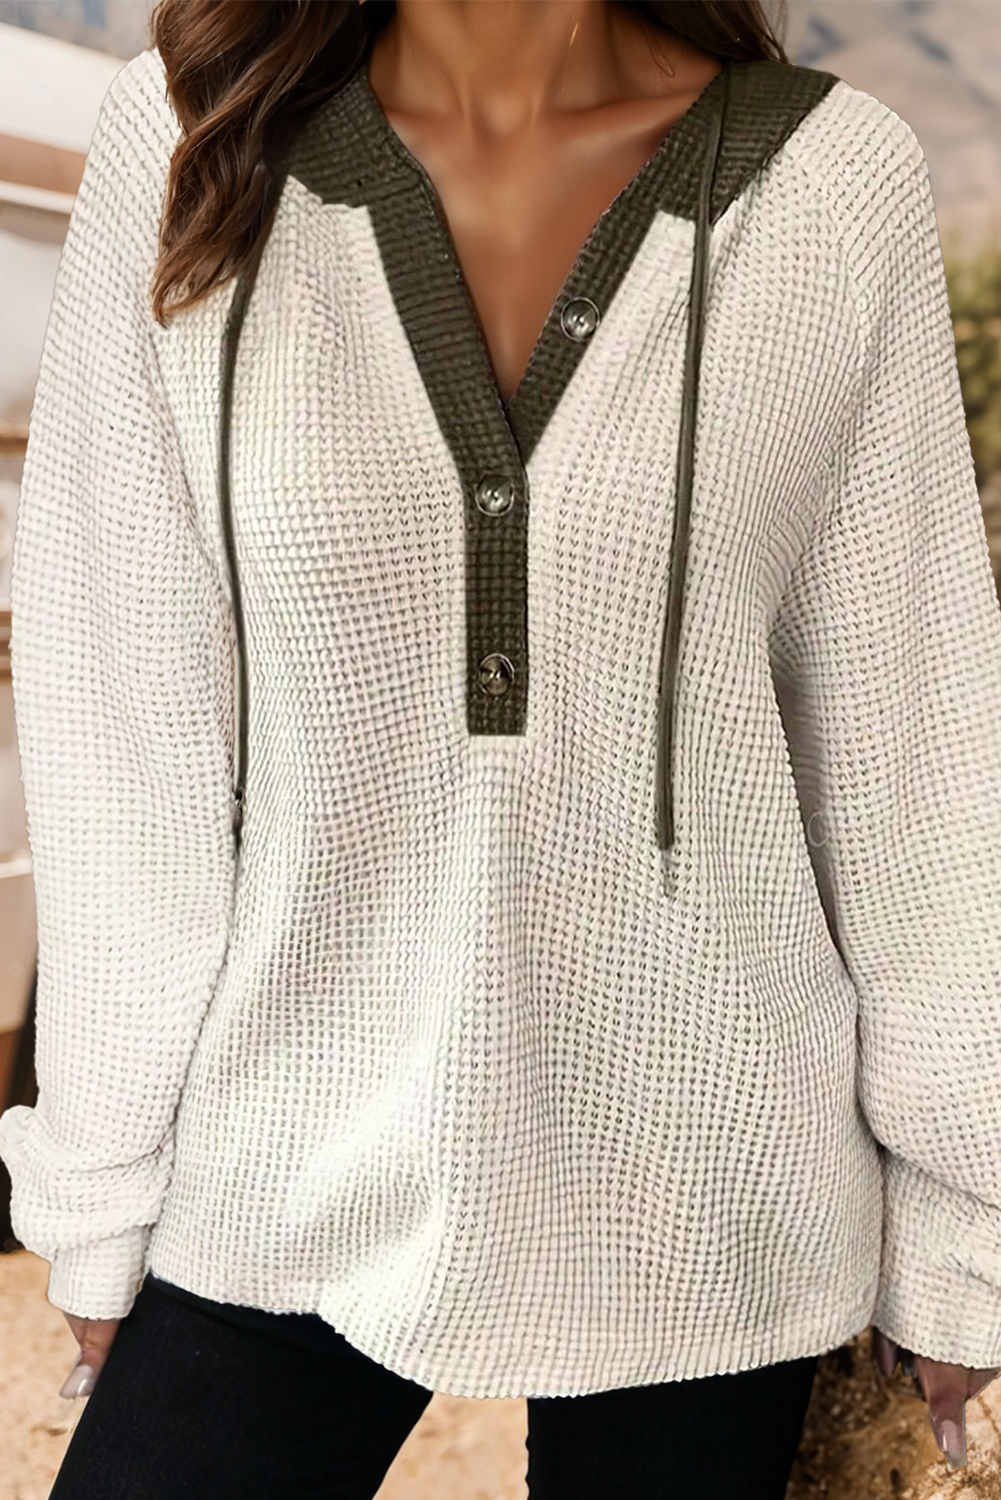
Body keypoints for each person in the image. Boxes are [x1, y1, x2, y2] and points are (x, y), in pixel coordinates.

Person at [1, 0, 999, 1493]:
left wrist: (967, 1213)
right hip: (282, 1153)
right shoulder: (195, 139)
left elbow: (910, 738)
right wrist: (101, 1177)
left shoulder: (830, 182)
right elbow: (123, 714)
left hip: (715, 1185)